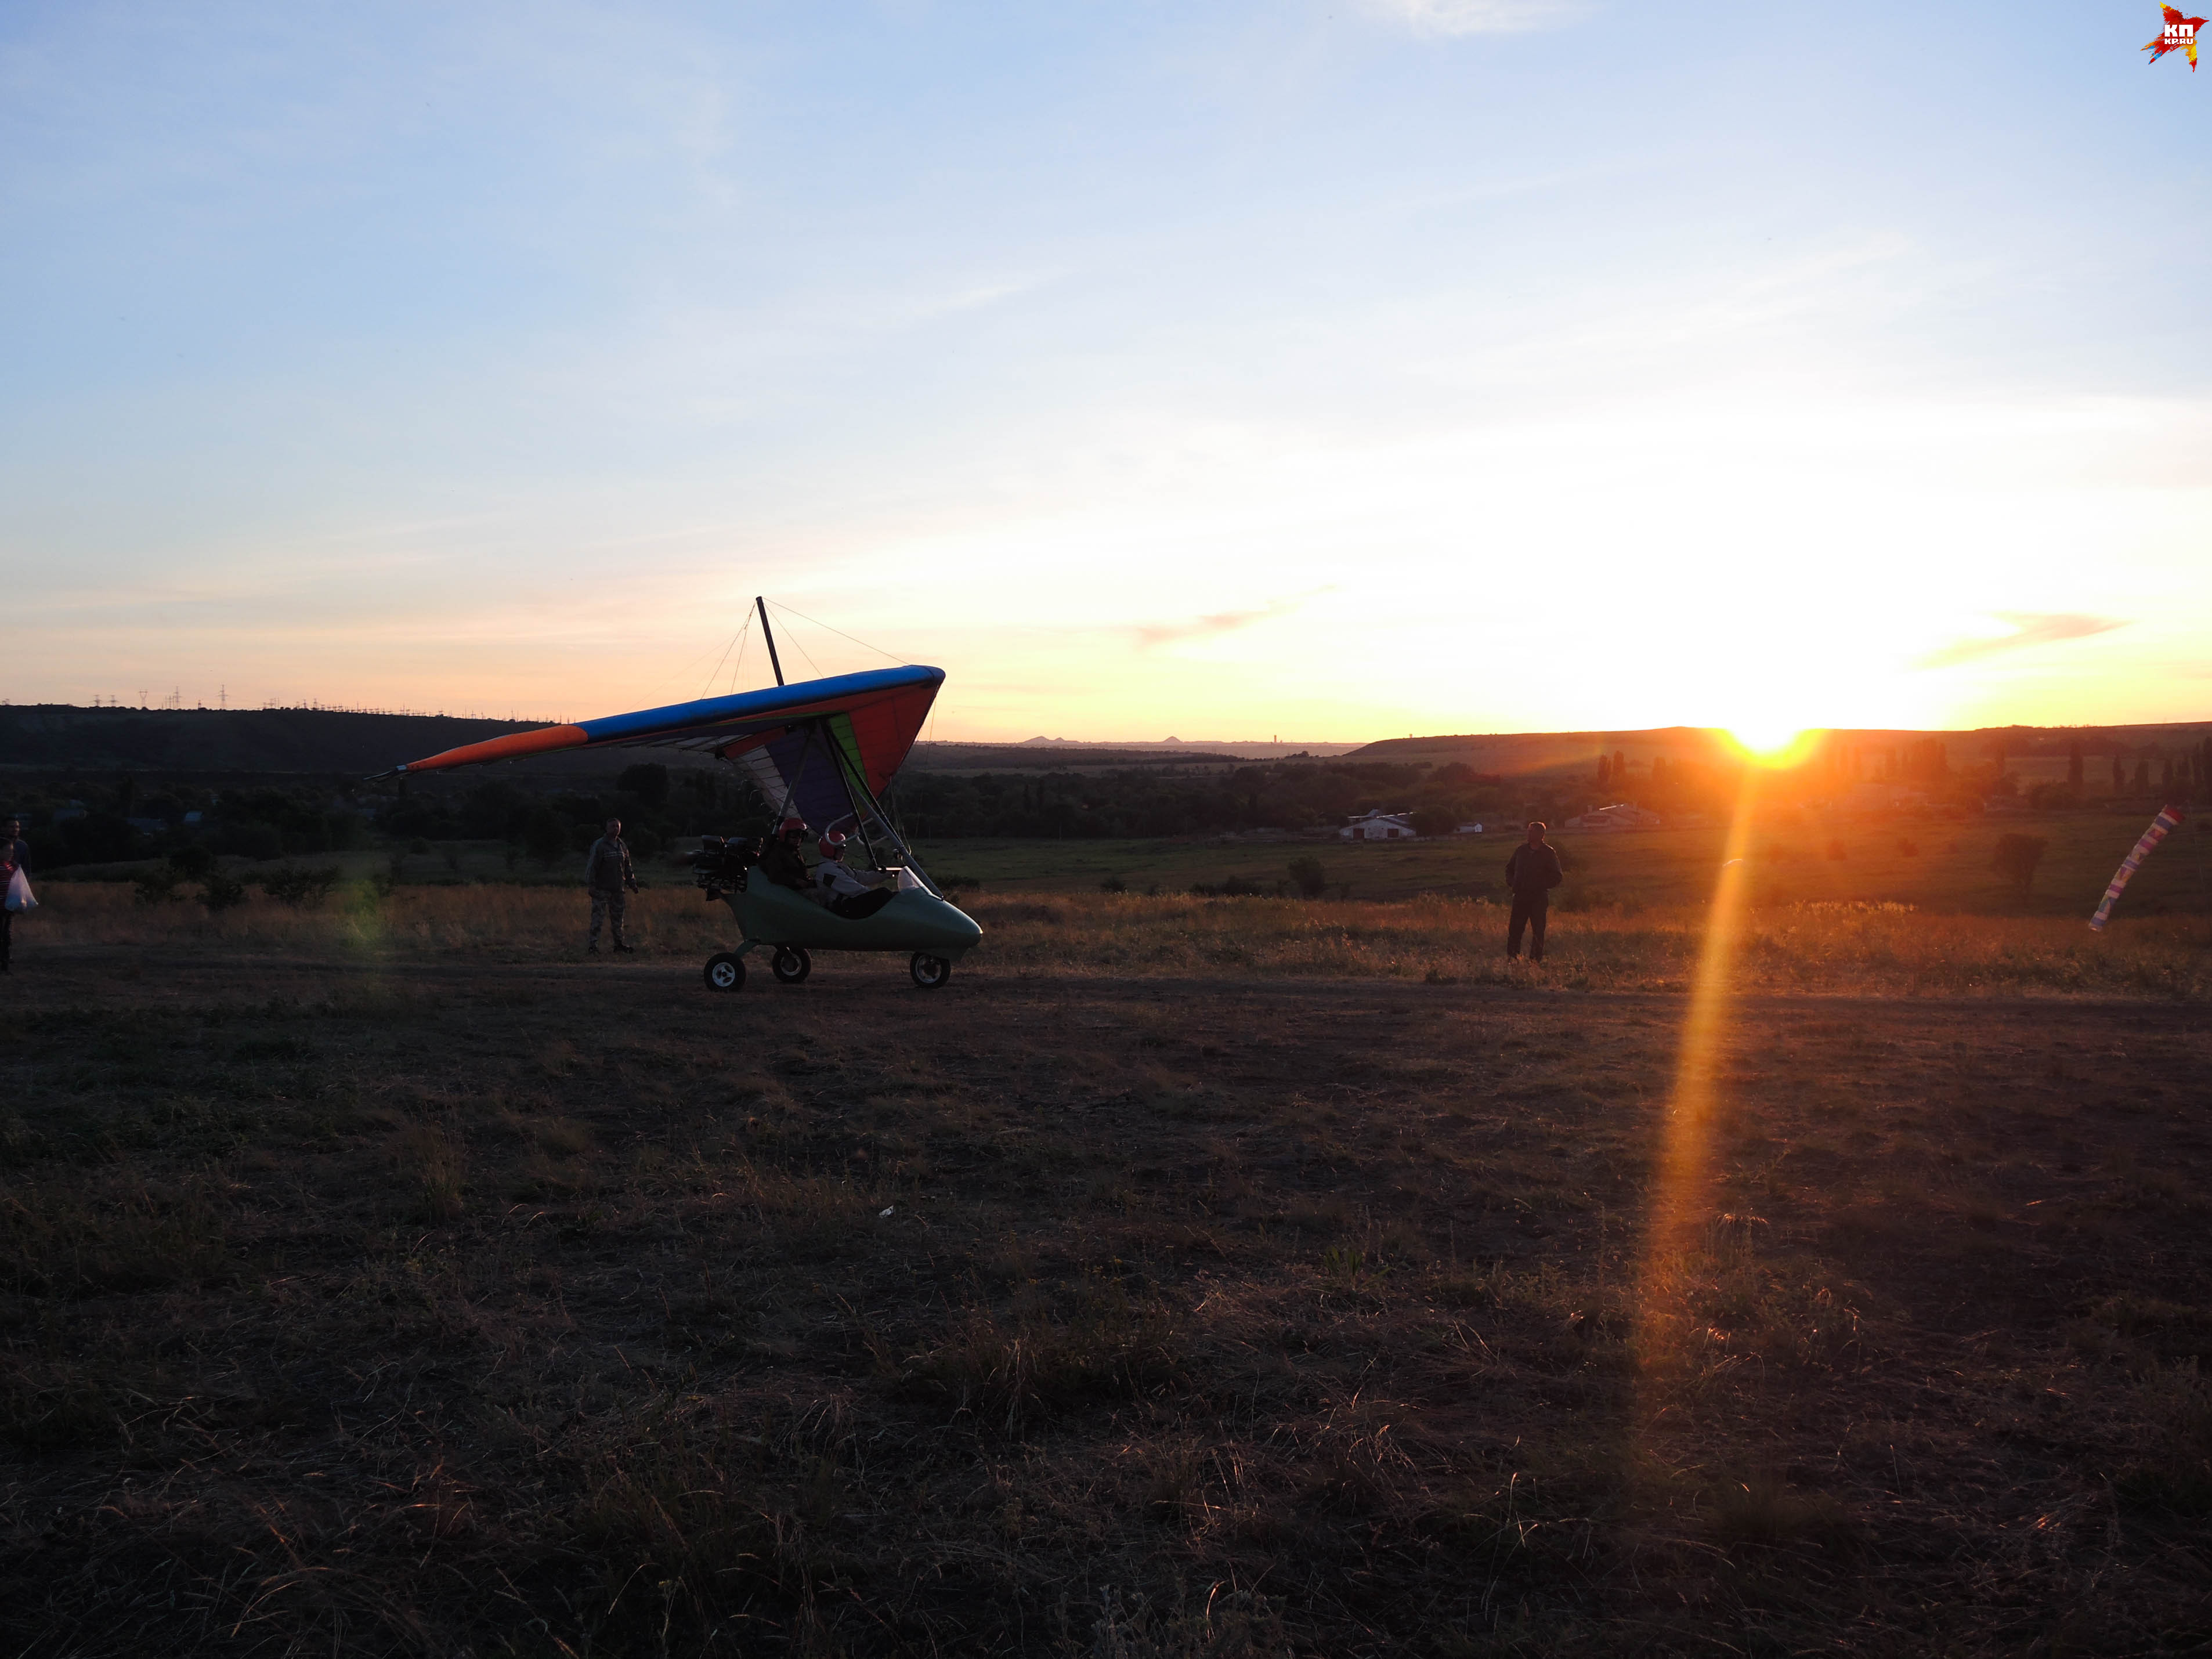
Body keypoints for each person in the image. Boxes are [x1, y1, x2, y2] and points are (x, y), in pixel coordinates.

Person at [1504, 821, 1564, 962]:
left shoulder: (1548, 853)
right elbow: (1509, 869)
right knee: (1515, 930)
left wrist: (1541, 886)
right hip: (1520, 897)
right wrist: (1513, 884)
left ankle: (1535, 961)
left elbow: (1557, 876)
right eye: (1528, 831)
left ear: (1540, 834)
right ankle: (1512, 959)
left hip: (1539, 898)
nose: (1528, 834)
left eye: (1531, 832)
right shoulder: (1521, 851)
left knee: (1538, 930)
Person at [583, 818, 638, 955]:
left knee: (618, 920)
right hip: (601, 889)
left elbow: (627, 867)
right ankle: (593, 946)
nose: (615, 829)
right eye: (613, 826)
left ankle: (619, 945)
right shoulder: (600, 845)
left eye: (617, 826)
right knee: (598, 919)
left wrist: (633, 884)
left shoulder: (622, 846)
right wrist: (591, 885)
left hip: (618, 889)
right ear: (607, 828)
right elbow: (593, 866)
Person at [812, 830, 895, 919]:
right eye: (841, 848)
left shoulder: (835, 866)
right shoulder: (827, 869)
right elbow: (854, 889)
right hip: (841, 909)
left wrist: (887, 873)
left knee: (886, 894)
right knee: (883, 894)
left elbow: (861, 877)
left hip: (848, 904)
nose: (844, 851)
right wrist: (875, 895)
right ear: (831, 850)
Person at [756, 817, 813, 891]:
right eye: (794, 835)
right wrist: (796, 881)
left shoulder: (794, 852)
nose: (798, 839)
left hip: (797, 890)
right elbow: (775, 876)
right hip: (787, 891)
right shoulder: (777, 852)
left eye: (802, 835)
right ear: (785, 835)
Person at [0, 816, 26, 974]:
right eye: (8, 851)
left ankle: (5, 962)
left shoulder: (12, 867)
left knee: (6, 934)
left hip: (8, 906)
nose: (11, 853)